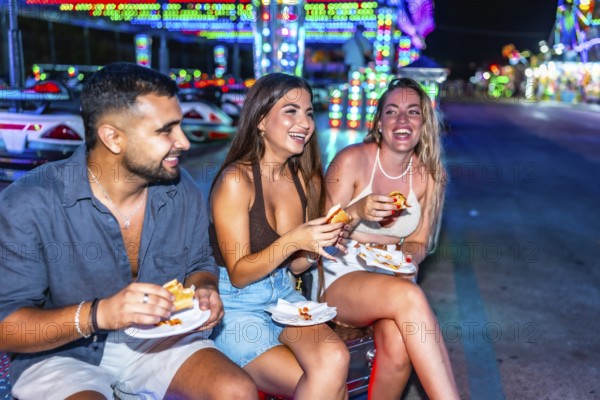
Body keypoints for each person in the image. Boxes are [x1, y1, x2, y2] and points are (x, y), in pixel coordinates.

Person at [0, 62, 257, 400]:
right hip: (61, 353)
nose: (183, 141)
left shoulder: (181, 190)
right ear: (112, 138)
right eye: (167, 130)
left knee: (237, 391)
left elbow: (200, 264)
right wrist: (100, 314)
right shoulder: (29, 202)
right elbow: (8, 328)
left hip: (159, 337)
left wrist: (204, 289)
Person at [209, 72, 350, 399]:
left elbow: (297, 266)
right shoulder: (236, 180)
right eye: (291, 111)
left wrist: (318, 244)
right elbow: (240, 273)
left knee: (335, 358)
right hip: (236, 306)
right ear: (260, 120)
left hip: (284, 296)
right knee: (331, 389)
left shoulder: (304, 177)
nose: (305, 122)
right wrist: (295, 239)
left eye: (309, 112)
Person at [319, 77, 460, 399]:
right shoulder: (352, 160)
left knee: (398, 348)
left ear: (424, 123)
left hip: (390, 277)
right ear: (379, 122)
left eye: (412, 112)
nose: (401, 120)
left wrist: (406, 259)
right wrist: (357, 211)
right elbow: (319, 237)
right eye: (392, 111)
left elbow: (419, 241)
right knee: (409, 297)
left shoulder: (429, 175)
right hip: (338, 274)